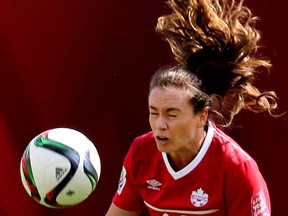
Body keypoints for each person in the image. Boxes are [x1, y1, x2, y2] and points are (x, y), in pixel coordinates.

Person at [106, 0, 279, 215]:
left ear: (201, 116)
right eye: (153, 113)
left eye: (172, 114)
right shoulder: (141, 153)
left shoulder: (237, 168)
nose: (159, 125)